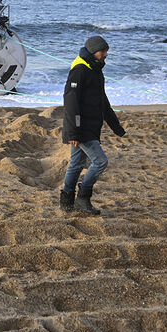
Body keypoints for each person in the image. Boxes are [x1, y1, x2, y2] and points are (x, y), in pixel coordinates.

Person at [59, 35, 126, 215]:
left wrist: (116, 126)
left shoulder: (95, 69)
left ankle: (66, 201)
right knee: (100, 162)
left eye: (106, 51)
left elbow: (102, 101)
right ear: (93, 51)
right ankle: (82, 198)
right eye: (102, 51)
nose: (105, 54)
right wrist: (74, 133)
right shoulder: (80, 70)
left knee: (77, 163)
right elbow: (71, 102)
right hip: (81, 128)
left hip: (90, 126)